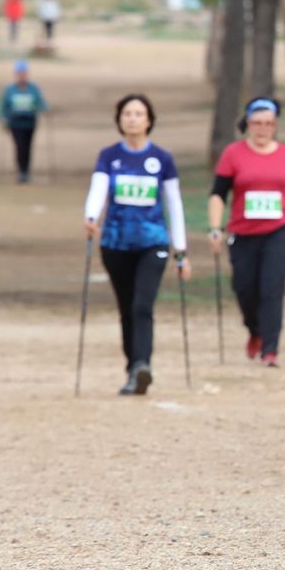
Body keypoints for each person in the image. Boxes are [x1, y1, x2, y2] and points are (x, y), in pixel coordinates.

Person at [83, 94, 191, 396]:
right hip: (116, 243)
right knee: (126, 309)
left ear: (149, 120)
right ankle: (133, 368)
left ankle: (143, 364)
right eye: (127, 113)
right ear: (119, 120)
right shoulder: (109, 156)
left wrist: (180, 249)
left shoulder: (162, 159)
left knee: (143, 305)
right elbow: (99, 188)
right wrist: (91, 216)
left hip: (153, 242)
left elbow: (174, 204)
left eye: (138, 113)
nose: (132, 118)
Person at [207, 98, 285, 368]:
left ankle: (270, 348)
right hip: (243, 231)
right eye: (257, 123)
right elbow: (218, 194)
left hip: (282, 230)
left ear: (276, 125)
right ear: (247, 124)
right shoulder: (233, 154)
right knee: (244, 288)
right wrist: (214, 228)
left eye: (269, 123)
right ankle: (255, 330)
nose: (262, 128)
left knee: (271, 286)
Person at [0, 59, 48, 183]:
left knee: (27, 146)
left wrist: (45, 109)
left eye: (24, 73)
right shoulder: (10, 90)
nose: (22, 75)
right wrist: (3, 118)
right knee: (19, 146)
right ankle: (21, 171)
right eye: (19, 73)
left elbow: (40, 102)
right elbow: (5, 106)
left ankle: (26, 170)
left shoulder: (33, 88)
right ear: (16, 74)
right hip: (15, 123)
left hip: (30, 122)